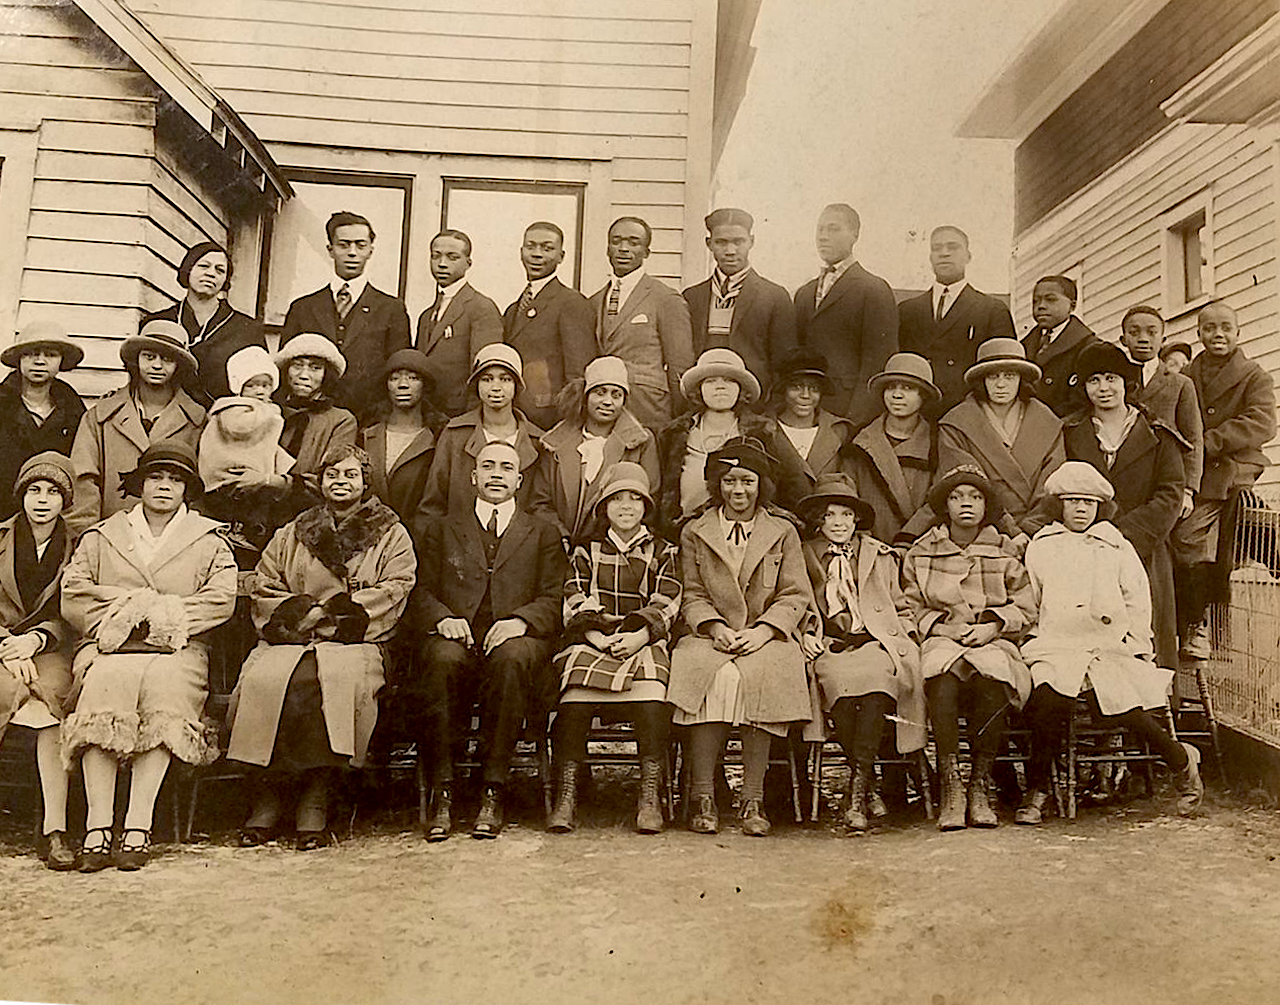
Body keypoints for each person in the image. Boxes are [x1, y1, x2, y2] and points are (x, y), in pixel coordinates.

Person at [225, 443, 415, 849]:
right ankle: (269, 795)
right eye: (332, 475)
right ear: (320, 482)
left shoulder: (391, 531)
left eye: (350, 475)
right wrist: (301, 615)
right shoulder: (295, 529)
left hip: (355, 641)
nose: (341, 482)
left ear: (366, 482)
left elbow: (397, 586)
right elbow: (265, 582)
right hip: (292, 637)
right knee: (265, 679)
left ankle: (316, 797)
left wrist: (334, 617)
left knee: (323, 682)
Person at [60, 443, 237, 870]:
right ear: (139, 484)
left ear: (187, 490)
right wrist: (126, 611)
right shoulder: (103, 536)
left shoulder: (207, 538)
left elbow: (221, 597)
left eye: (176, 480)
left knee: (166, 692)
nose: (165, 487)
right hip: (111, 647)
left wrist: (164, 615)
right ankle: (98, 826)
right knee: (104, 687)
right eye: (156, 477)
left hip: (177, 648)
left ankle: (139, 824)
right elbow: (74, 592)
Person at [1018, 461, 1203, 824]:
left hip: (1107, 646)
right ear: (1059, 505)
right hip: (1056, 644)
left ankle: (1182, 763)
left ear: (1100, 507)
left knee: (1120, 707)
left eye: (1089, 502)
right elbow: (1032, 599)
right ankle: (1038, 789)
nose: (1081, 509)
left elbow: (1137, 601)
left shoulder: (1115, 546)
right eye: (1073, 501)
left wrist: (1138, 647)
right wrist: (1033, 639)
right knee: (1045, 703)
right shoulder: (1042, 546)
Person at [404, 441, 566, 841]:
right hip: (456, 636)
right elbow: (418, 591)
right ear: (473, 477)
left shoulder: (542, 531)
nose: (497, 474)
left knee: (512, 660)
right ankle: (444, 788)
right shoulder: (441, 529)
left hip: (516, 640)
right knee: (441, 660)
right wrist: (442, 618)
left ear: (519, 479)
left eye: (506, 468)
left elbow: (556, 594)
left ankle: (493, 788)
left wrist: (522, 621)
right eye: (488, 466)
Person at [667, 437, 814, 837]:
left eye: (747, 481)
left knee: (768, 673)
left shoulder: (782, 531)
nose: (738, 491)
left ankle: (752, 798)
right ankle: (703, 797)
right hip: (710, 634)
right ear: (717, 484)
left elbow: (795, 593)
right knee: (704, 672)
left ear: (761, 484)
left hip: (767, 635)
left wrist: (765, 630)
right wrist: (714, 627)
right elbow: (692, 593)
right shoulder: (696, 531)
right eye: (729, 481)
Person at [548, 463, 681, 834]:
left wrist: (640, 635)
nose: (626, 506)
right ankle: (567, 795)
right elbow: (574, 596)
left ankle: (649, 795)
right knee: (572, 702)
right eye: (617, 498)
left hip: (642, 640)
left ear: (646, 507)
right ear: (603, 507)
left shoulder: (664, 550)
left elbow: (668, 600)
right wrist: (595, 636)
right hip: (594, 640)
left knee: (653, 702)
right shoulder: (586, 551)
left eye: (635, 499)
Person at [902, 465, 1036, 831]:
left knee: (993, 682)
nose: (966, 504)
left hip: (991, 640)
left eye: (975, 497)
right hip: (942, 639)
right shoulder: (921, 551)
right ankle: (952, 788)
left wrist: (993, 626)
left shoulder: (1004, 551)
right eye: (957, 497)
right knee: (940, 682)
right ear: (945, 506)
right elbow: (907, 606)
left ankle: (979, 786)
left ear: (986, 506)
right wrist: (941, 626)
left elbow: (1026, 606)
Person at [796, 473, 925, 833]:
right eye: (830, 516)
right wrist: (805, 632)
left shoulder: (878, 554)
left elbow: (901, 605)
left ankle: (858, 789)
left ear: (857, 520)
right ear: (819, 521)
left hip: (874, 642)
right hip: (831, 646)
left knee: (879, 682)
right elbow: (796, 600)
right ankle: (865, 784)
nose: (839, 524)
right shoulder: (804, 554)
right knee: (834, 684)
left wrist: (906, 635)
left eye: (846, 516)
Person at [1059, 342, 1186, 669]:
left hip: (1142, 549)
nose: (1104, 388)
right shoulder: (1070, 433)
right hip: (1084, 549)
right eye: (1094, 380)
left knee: (1144, 629)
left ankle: (1149, 707)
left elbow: (1170, 493)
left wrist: (1124, 534)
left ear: (1125, 383)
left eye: (1111, 378)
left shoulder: (1158, 434)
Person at [1173, 301, 1277, 659]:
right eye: (1209, 328)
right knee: (1186, 540)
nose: (1218, 334)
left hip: (1235, 469)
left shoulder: (1255, 375)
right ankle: (1195, 624)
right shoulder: (1185, 376)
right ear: (1199, 333)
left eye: (1225, 328)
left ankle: (1201, 626)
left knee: (1211, 538)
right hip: (1199, 472)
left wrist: (1209, 441)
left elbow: (1262, 423)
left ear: (1237, 332)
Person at [0, 453, 77, 869]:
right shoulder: (0, 539)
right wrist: (7, 645)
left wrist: (37, 638)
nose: (42, 500)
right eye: (34, 490)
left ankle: (55, 829)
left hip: (51, 649)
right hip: (3, 648)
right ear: (21, 495)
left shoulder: (80, 545)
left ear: (66, 500)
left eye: (52, 492)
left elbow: (77, 607)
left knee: (51, 707)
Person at [67, 320, 205, 537]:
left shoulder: (197, 421)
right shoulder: (101, 416)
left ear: (179, 365)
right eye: (149, 357)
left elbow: (200, 489)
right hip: (109, 536)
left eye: (167, 359)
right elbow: (83, 479)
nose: (157, 366)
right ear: (136, 359)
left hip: (170, 541)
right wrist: (86, 535)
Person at [280, 211, 411, 417]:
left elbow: (399, 370)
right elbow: (286, 367)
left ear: (370, 250)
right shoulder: (303, 308)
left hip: (369, 419)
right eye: (343, 245)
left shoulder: (391, 309)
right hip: (309, 417)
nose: (352, 252)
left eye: (360, 245)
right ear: (330, 250)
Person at [937, 338, 1064, 538]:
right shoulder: (958, 422)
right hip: (981, 528)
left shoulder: (1047, 421)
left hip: (1040, 529)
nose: (1001, 384)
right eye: (993, 376)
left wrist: (1030, 528)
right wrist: (1010, 530)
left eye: (1010, 376)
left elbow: (1053, 482)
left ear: (1021, 379)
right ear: (982, 381)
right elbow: (966, 485)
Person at [531, 355, 659, 545]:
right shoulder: (556, 443)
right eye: (600, 392)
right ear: (585, 395)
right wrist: (560, 538)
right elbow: (540, 502)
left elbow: (650, 498)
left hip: (613, 549)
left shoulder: (640, 443)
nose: (608, 401)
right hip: (560, 548)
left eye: (616, 395)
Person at [793, 204, 898, 426]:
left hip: (846, 411)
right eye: (820, 230)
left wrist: (855, 421)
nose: (823, 237)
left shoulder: (873, 289)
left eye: (833, 229)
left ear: (855, 235)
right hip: (807, 409)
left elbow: (877, 363)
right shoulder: (804, 293)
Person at [417, 343, 544, 526]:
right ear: (476, 385)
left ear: (517, 386)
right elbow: (433, 503)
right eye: (487, 379)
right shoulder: (456, 434)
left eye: (505, 379)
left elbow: (540, 507)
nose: (495, 387)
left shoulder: (537, 441)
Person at [588, 216, 694, 430]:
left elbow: (680, 365)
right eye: (616, 241)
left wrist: (678, 416)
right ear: (608, 248)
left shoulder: (665, 298)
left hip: (648, 408)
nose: (623, 249)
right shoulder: (594, 301)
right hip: (604, 410)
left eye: (633, 242)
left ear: (646, 252)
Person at [655, 348, 776, 534]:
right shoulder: (674, 434)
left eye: (729, 380)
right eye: (711, 381)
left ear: (741, 389)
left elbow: (774, 488)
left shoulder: (760, 434)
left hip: (742, 532)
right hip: (683, 533)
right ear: (699, 390)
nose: (720, 387)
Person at [897, 226, 1015, 415]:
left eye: (953, 247)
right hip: (917, 414)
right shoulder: (907, 310)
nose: (944, 253)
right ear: (930, 258)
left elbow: (1004, 369)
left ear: (968, 256)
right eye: (937, 248)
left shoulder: (992, 309)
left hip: (968, 413)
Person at [683, 208, 796, 393]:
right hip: (703, 401)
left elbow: (783, 364)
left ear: (751, 241)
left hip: (754, 404)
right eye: (721, 242)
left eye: (738, 242)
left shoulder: (774, 297)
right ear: (708, 243)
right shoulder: (692, 297)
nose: (730, 251)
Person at [142, 240, 267, 403]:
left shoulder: (247, 330)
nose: (211, 273)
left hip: (223, 420)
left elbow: (261, 384)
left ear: (225, 281)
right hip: (167, 418)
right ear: (188, 270)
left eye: (220, 270)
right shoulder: (159, 323)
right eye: (203, 266)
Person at [501, 221, 595, 429]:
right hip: (514, 415)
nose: (537, 254)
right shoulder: (513, 309)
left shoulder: (571, 302)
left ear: (561, 256)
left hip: (549, 417)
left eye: (547, 248)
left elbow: (577, 374)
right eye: (531, 246)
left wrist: (568, 422)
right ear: (521, 252)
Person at [844, 352, 940, 545]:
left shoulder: (938, 442)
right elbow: (847, 496)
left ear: (923, 396)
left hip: (923, 547)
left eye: (908, 388)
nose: (897, 395)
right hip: (869, 547)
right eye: (891, 387)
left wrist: (908, 536)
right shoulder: (860, 442)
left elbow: (940, 499)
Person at [1120, 306, 1203, 524]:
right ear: (1123, 339)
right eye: (1134, 332)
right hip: (1124, 476)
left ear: (1163, 338)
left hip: (1165, 478)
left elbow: (1192, 437)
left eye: (1152, 332)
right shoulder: (1114, 381)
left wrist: (1188, 490)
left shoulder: (1180, 383)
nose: (1143, 338)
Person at [0, 321, 85, 521]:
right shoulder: (3, 401)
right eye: (31, 354)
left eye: (50, 355)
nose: (40, 361)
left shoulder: (72, 407)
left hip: (51, 513)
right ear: (19, 359)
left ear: (61, 361)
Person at [413, 229, 503, 418]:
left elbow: (483, 371)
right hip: (427, 413)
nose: (442, 264)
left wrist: (471, 420)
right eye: (435, 256)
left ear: (468, 263)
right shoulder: (426, 315)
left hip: (459, 415)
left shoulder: (481, 307)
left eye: (452, 257)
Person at [358, 348, 444, 523]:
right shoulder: (366, 435)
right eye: (394, 378)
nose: (403, 385)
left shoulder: (438, 438)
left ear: (425, 386)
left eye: (413, 378)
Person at [766, 347, 856, 513]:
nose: (805, 395)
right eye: (796, 387)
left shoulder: (839, 431)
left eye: (814, 388)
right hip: (779, 527)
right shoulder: (764, 430)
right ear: (783, 389)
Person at [197, 345, 294, 497]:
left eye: (265, 385)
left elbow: (267, 442)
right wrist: (269, 412)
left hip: (255, 467)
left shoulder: (264, 407)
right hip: (231, 464)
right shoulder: (233, 407)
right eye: (251, 386)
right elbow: (239, 427)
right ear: (239, 388)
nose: (259, 391)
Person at [274, 333, 358, 486]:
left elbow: (327, 479)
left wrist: (272, 482)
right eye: (297, 366)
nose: (304, 375)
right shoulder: (272, 411)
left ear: (327, 376)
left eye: (315, 368)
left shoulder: (341, 421)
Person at [1021, 275, 1102, 417]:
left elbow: (1083, 401)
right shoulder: (1023, 346)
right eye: (1035, 301)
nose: (1041, 306)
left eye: (1050, 299)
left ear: (1072, 305)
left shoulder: (1089, 347)